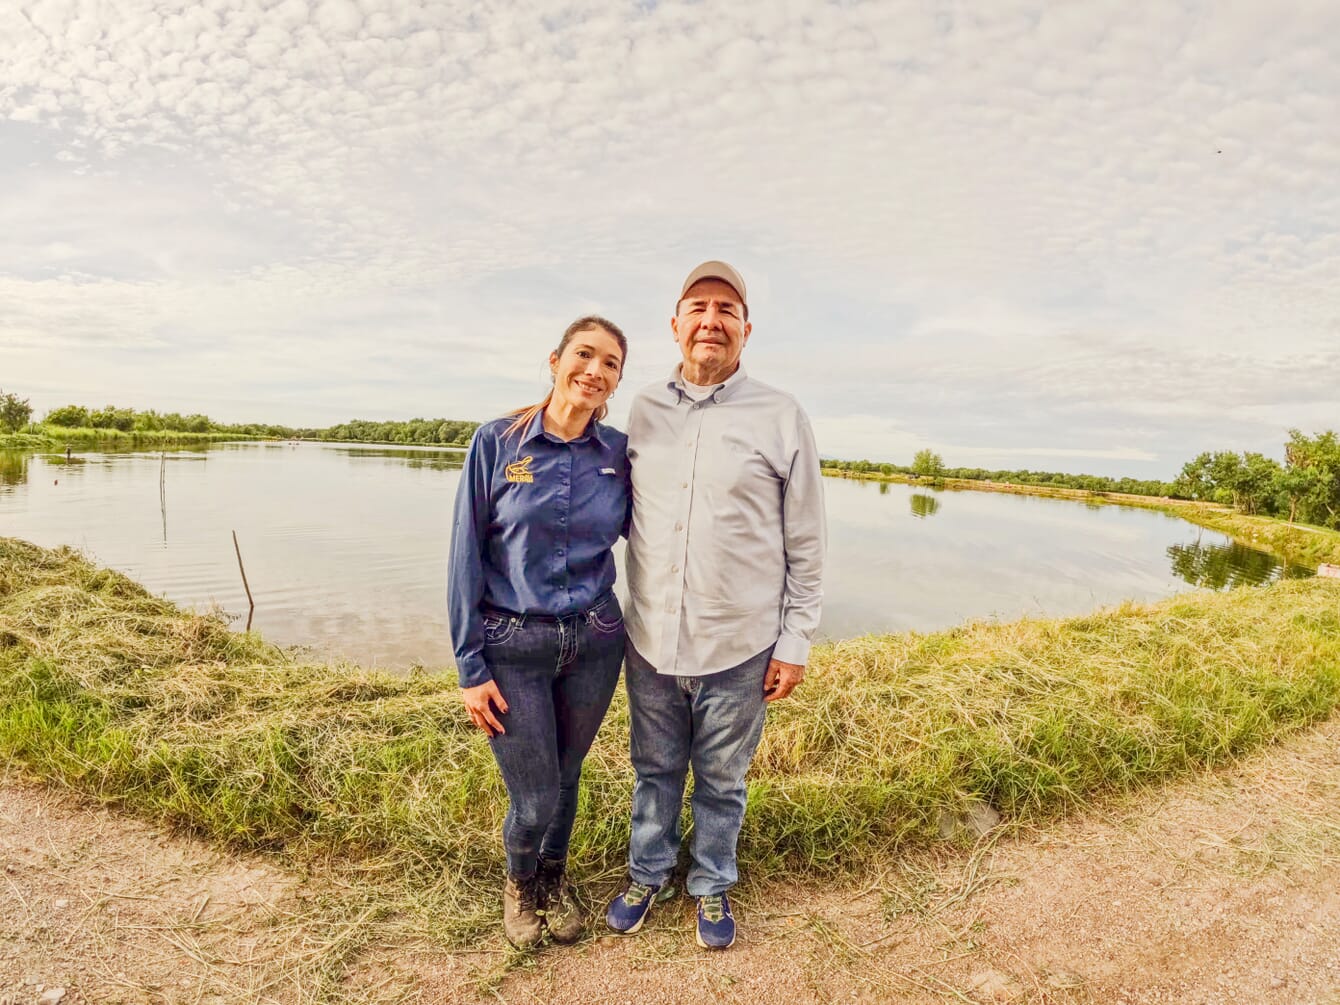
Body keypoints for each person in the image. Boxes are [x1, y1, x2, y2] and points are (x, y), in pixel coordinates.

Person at [605, 261, 826, 949]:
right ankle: (648, 871)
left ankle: (711, 884)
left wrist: (796, 639)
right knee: (654, 771)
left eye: (726, 310)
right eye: (697, 307)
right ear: (675, 324)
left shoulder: (781, 414)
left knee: (723, 780)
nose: (711, 319)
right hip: (650, 641)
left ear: (745, 329)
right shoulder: (641, 409)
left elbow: (808, 539)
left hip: (741, 646)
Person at [449, 316, 630, 948]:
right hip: (512, 645)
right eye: (585, 355)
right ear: (554, 360)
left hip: (595, 639)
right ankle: (520, 886)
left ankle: (555, 878)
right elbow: (465, 554)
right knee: (535, 793)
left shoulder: (619, 455)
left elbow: (668, 537)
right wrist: (471, 666)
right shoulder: (497, 442)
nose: (594, 370)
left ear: (616, 382)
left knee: (569, 772)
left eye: (610, 364)